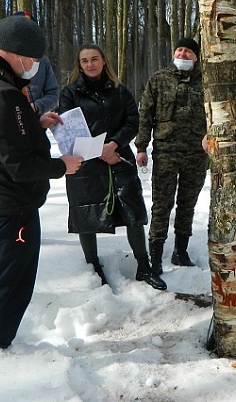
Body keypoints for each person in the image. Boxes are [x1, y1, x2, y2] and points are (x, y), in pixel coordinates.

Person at [0, 15, 83, 349]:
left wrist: (34, 122)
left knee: (1, 277)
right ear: (18, 54)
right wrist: (61, 166)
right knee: (12, 284)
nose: (37, 66)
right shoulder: (2, 95)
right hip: (9, 207)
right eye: (35, 59)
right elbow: (19, 164)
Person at [58, 44, 166, 290]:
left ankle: (143, 266)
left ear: (104, 61)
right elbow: (68, 129)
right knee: (86, 215)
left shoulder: (119, 90)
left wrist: (115, 144)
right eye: (84, 61)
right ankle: (93, 267)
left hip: (119, 158)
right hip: (84, 163)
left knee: (132, 211)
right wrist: (98, 150)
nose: (90, 65)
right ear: (79, 65)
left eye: (94, 59)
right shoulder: (70, 94)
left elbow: (133, 120)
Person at [136, 38, 208, 274]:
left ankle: (181, 251)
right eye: (180, 50)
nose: (183, 54)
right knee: (161, 206)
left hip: (197, 154)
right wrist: (141, 147)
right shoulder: (158, 80)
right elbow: (145, 114)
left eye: (189, 51)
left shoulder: (206, 82)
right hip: (166, 153)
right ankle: (155, 258)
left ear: (196, 57)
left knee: (188, 204)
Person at [12, 12, 59, 114]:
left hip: (34, 121)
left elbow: (53, 95)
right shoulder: (3, 59)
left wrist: (37, 107)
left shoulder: (43, 61)